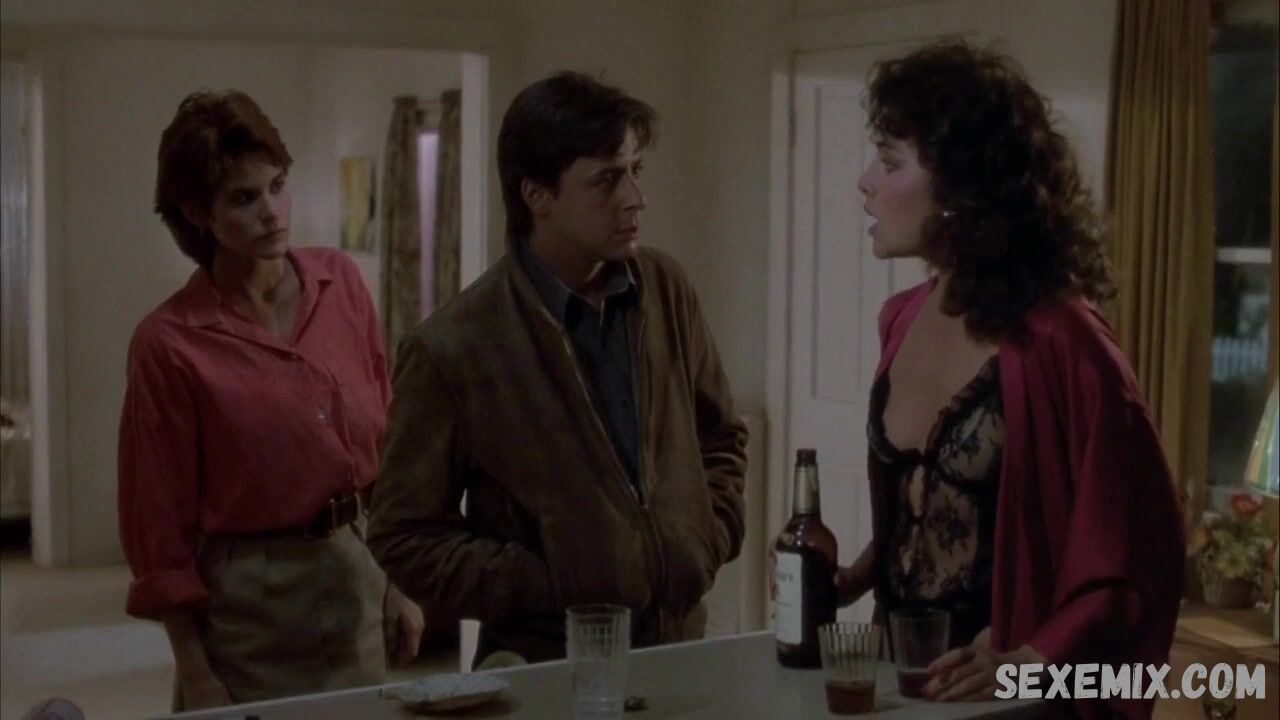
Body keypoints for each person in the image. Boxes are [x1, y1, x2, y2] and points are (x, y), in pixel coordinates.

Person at [841, 40, 1184, 719]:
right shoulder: (898, 319)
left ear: (962, 187)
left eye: (890, 161)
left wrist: (1031, 661)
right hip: (899, 686)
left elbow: (1138, 547)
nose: (864, 181)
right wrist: (852, 575)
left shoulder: (1063, 341)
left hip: (1010, 702)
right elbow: (935, 502)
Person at [366, 71, 748, 667]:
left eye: (636, 170)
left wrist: (706, 537)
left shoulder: (665, 289)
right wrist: (547, 584)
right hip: (545, 663)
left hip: (677, 647)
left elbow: (719, 437)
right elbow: (404, 535)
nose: (635, 198)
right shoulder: (454, 346)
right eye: (607, 180)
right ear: (538, 196)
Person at [118, 90, 423, 711]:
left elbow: (388, 443)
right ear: (198, 213)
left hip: (356, 574)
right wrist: (194, 670)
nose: (273, 212)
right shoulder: (169, 343)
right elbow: (158, 522)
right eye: (244, 198)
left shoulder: (340, 284)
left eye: (278, 186)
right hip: (249, 608)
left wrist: (400, 581)